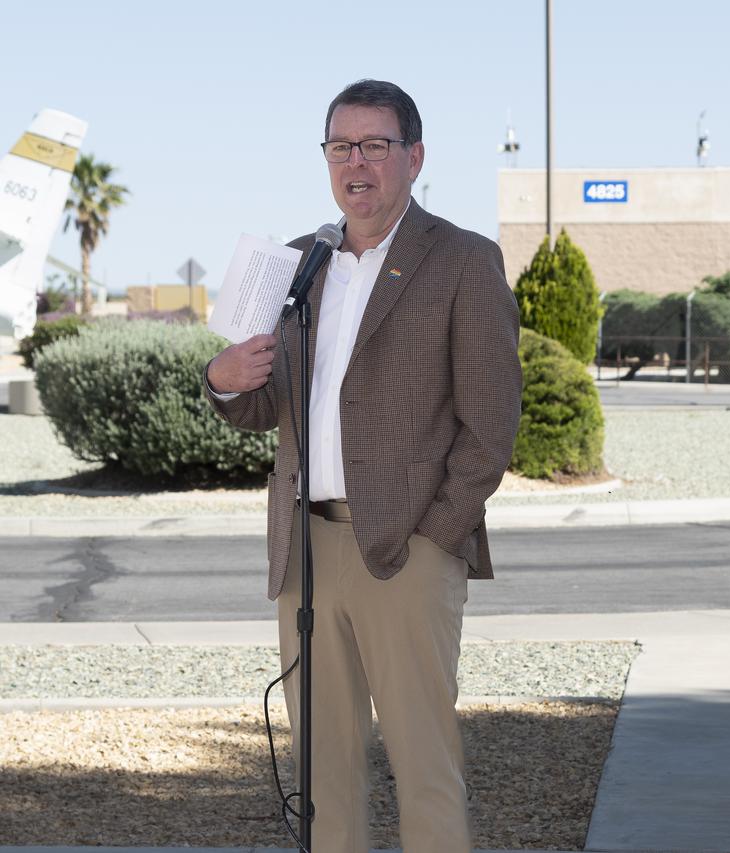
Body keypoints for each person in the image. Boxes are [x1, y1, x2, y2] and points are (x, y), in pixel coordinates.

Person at [204, 79, 521, 852]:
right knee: (322, 779)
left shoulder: (462, 260)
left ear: (414, 157)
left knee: (425, 770)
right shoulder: (300, 263)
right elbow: (259, 407)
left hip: (405, 550)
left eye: (375, 145)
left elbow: (491, 428)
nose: (357, 163)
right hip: (305, 553)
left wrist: (434, 537)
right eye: (341, 146)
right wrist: (222, 379)